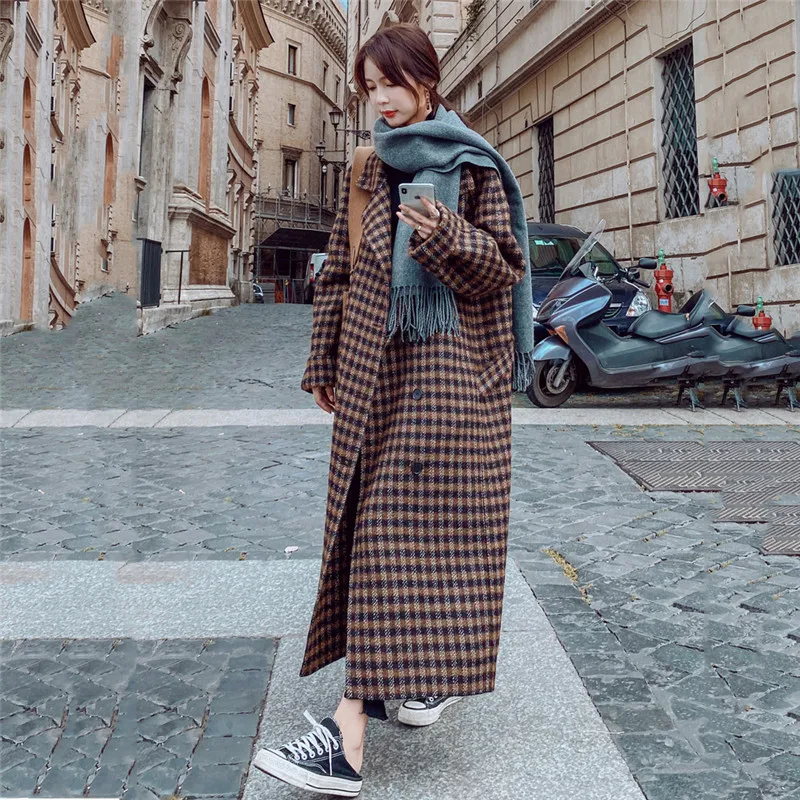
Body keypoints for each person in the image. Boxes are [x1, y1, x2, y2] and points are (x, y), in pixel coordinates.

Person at [252, 22, 534, 797]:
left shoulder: (473, 165)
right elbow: (339, 270)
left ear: (427, 82)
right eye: (369, 87)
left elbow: (506, 270)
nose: (379, 99)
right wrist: (322, 360)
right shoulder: (369, 167)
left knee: (389, 535)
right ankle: (424, 673)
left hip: (447, 388)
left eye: (391, 84)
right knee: (392, 539)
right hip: (372, 381)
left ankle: (347, 736)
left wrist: (444, 233)